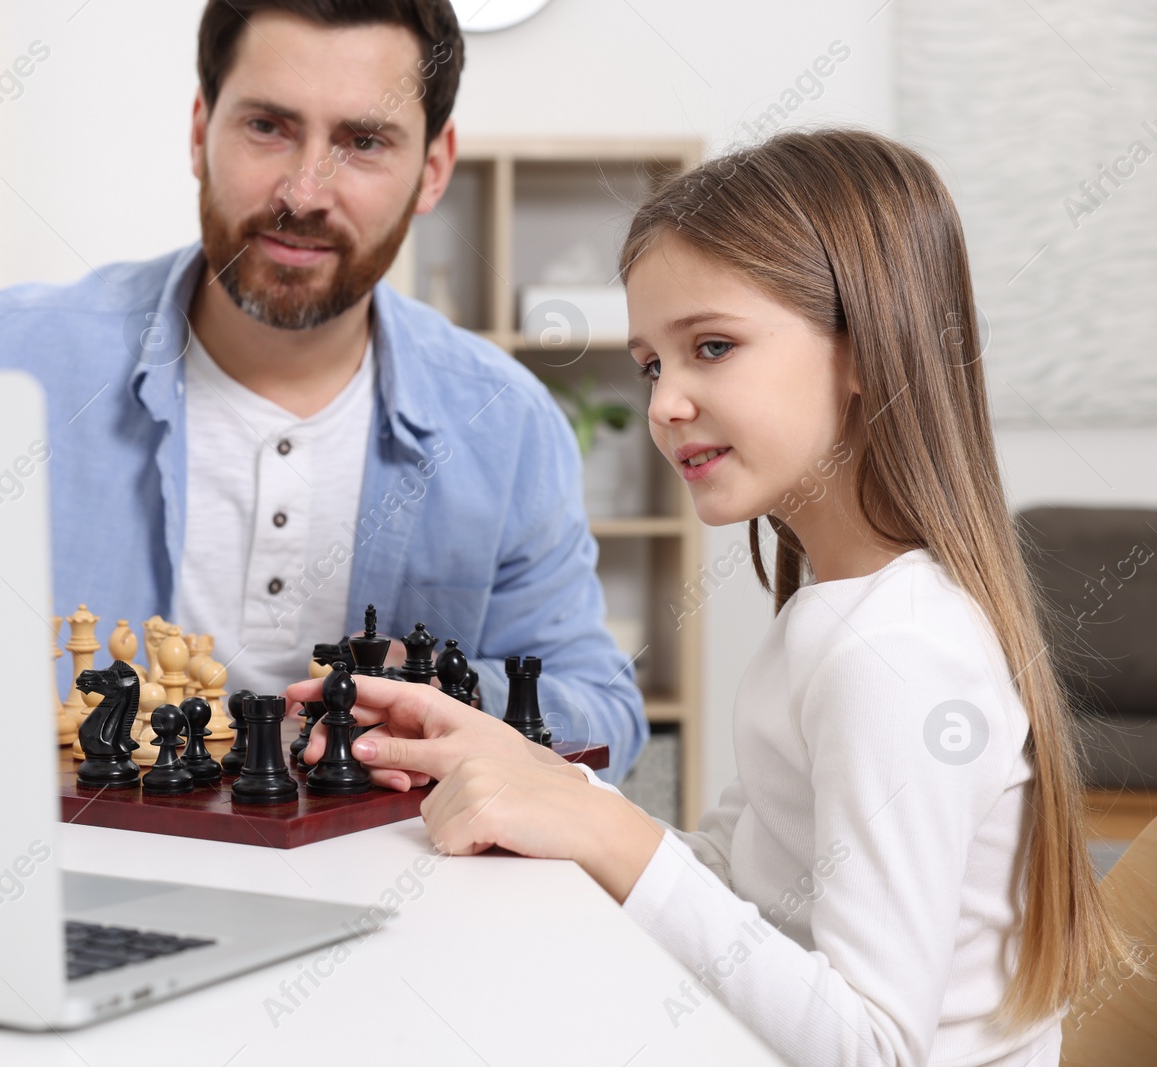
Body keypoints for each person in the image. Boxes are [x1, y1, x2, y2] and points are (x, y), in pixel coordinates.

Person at [291, 128, 1142, 1065]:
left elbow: (873, 1046)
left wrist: (607, 827)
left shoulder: (892, 652)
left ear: (868, 349)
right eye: (654, 363)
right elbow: (740, 883)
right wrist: (534, 774)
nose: (663, 402)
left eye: (713, 346)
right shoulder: (831, 614)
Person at [0, 0, 645, 782]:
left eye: (363, 142)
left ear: (433, 169)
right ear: (200, 131)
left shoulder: (507, 424)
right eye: (267, 126)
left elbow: (604, 717)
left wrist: (435, 692)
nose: (303, 192)